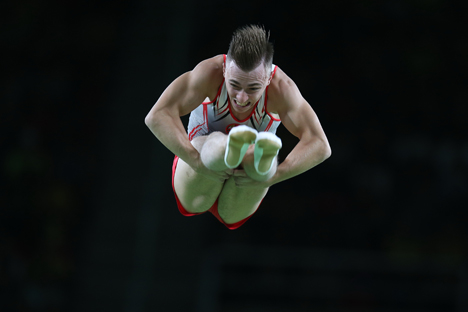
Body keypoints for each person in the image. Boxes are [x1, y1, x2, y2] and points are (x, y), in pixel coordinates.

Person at [145, 25, 331, 230]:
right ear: (225, 70)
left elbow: (320, 145)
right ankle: (236, 150)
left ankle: (253, 157)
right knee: (211, 144)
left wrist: (278, 175)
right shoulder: (208, 73)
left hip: (242, 185)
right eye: (234, 85)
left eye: (253, 88)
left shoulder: (282, 89)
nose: (241, 98)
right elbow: (157, 115)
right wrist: (194, 159)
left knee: (257, 168)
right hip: (201, 167)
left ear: (268, 78)